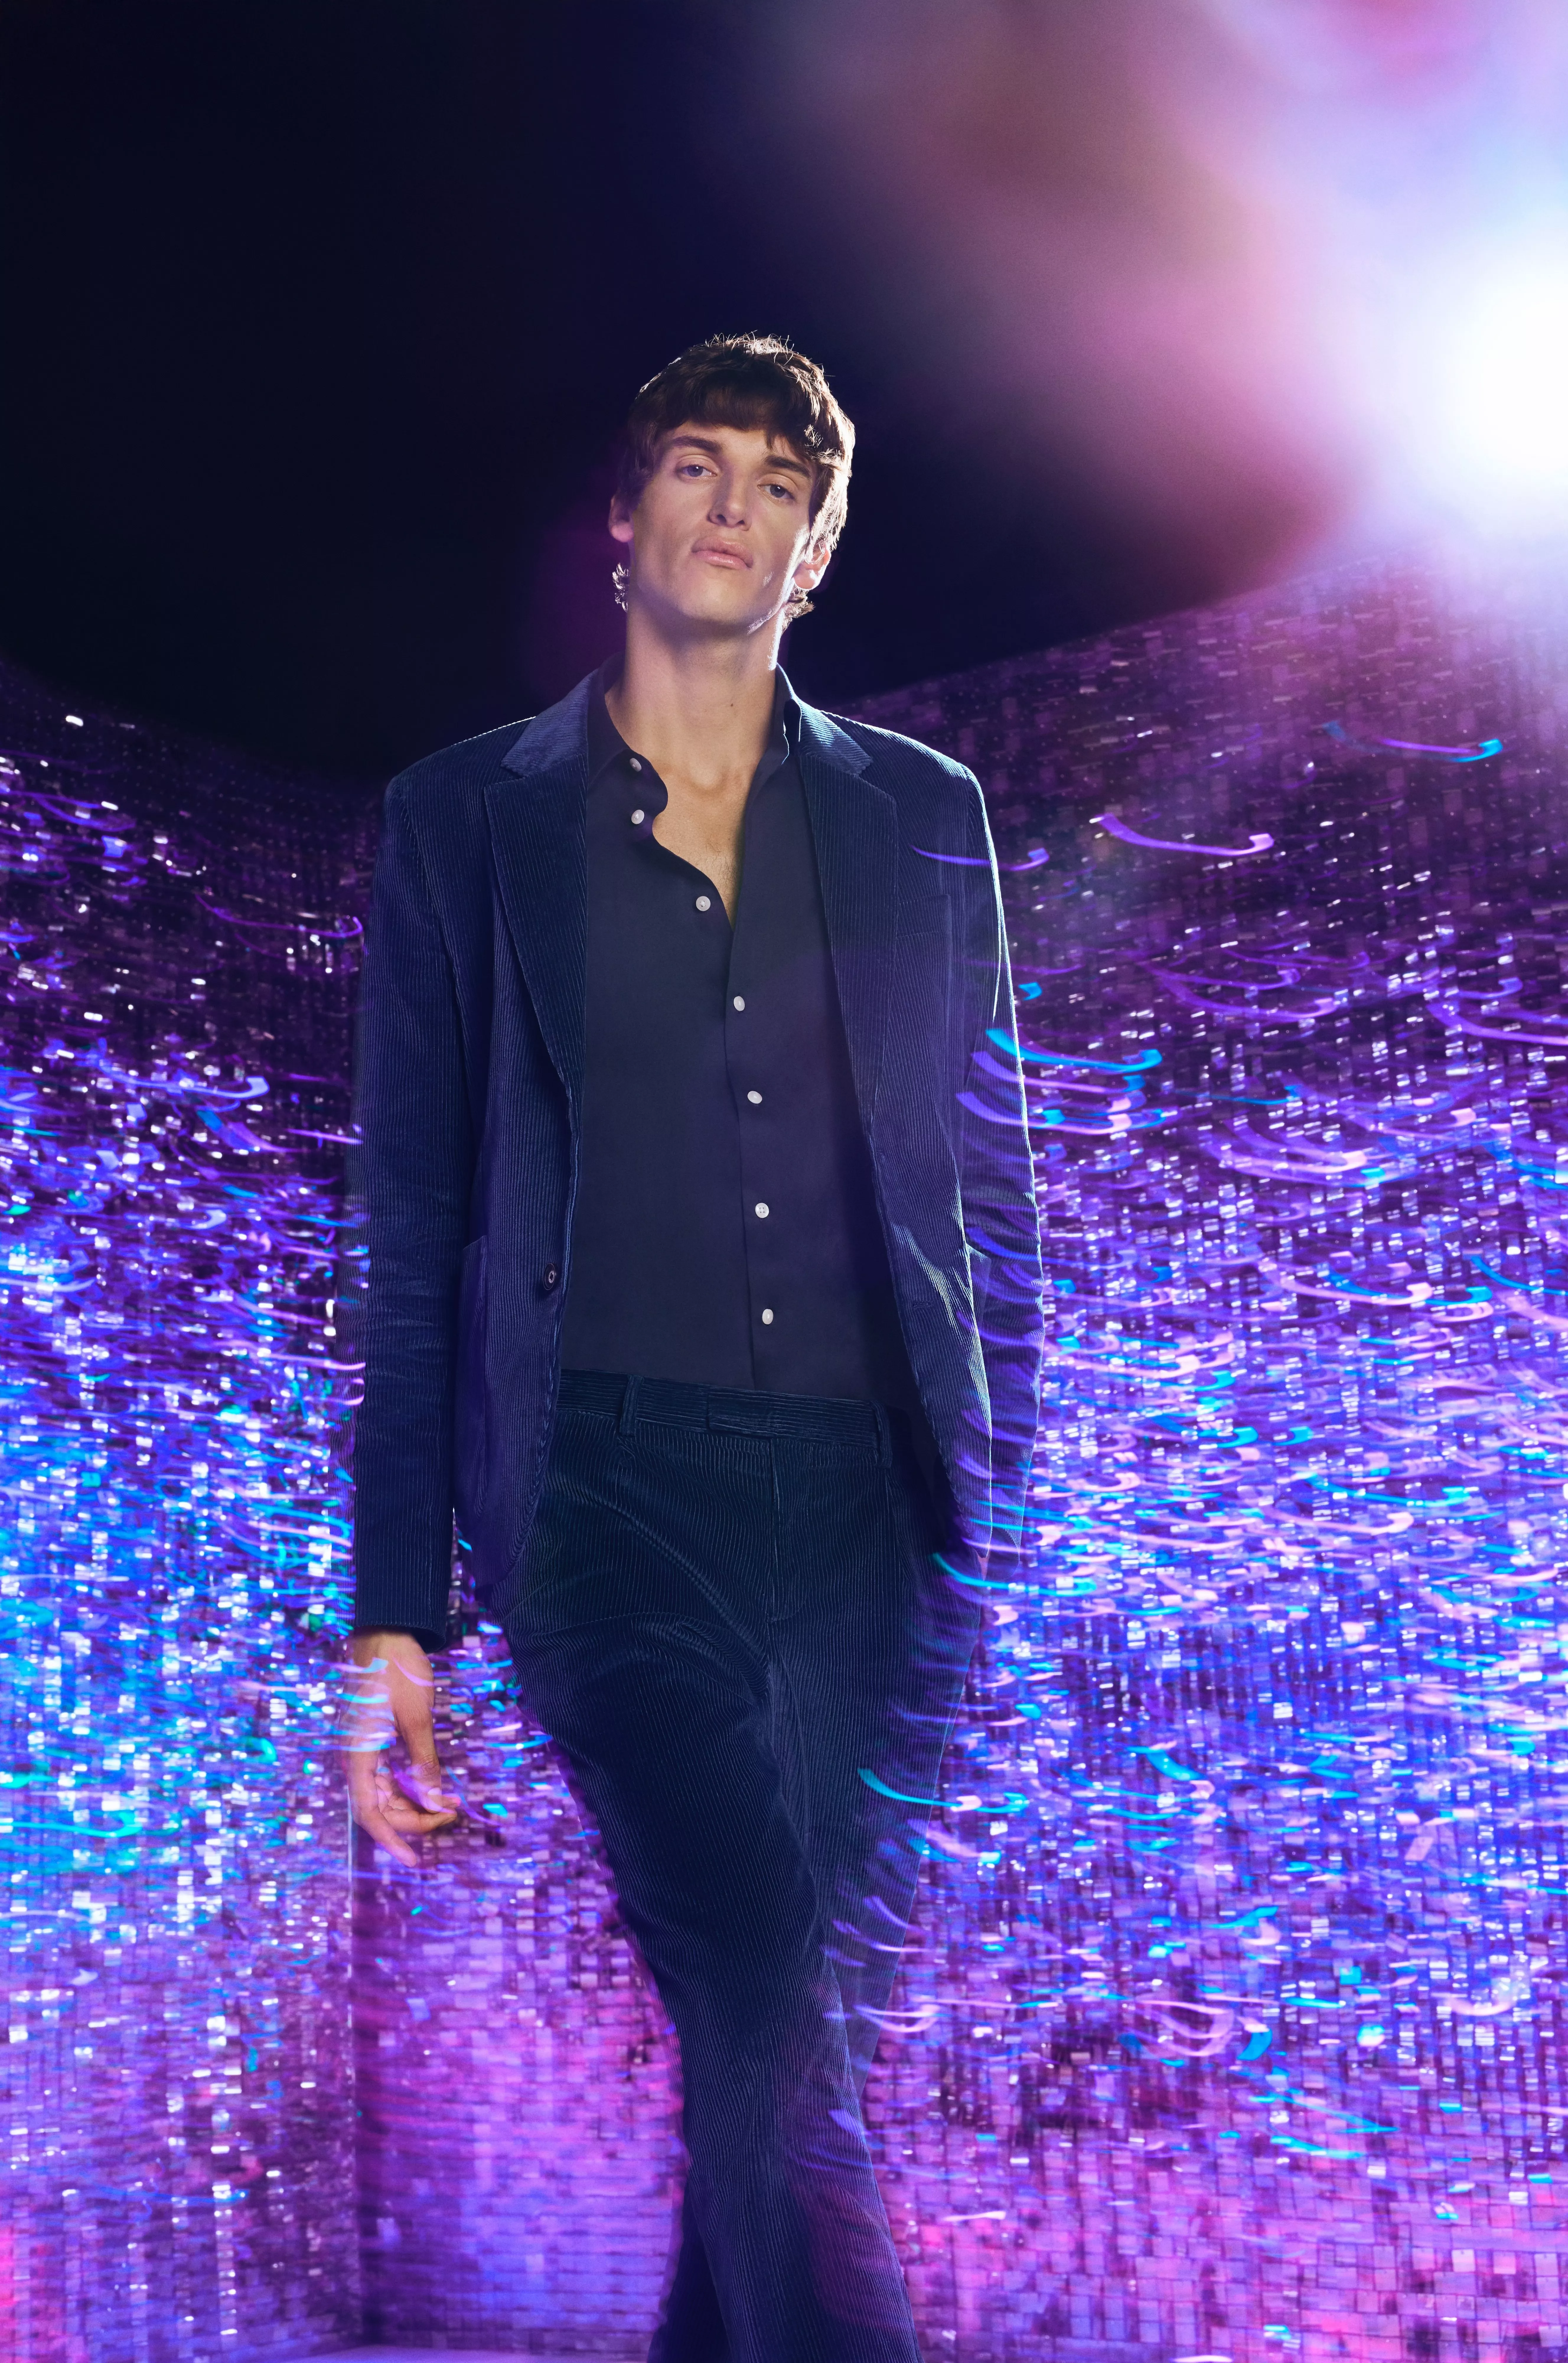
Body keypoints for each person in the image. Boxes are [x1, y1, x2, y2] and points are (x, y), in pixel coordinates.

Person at [343, 332, 1043, 2363]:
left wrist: (978, 1498)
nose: (732, 506)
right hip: (593, 1503)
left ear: (810, 550)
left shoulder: (923, 816)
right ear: (628, 515)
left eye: (776, 485)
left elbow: (979, 1187)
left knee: (774, 2047)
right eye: (697, 465)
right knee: (757, 1997)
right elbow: (411, 1219)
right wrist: (395, 1613)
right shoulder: (464, 819)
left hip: (865, 1507)